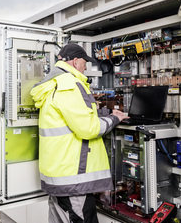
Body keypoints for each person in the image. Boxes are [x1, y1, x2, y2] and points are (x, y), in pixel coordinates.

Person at [30, 43, 129, 223]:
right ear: (75, 62)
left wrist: (106, 114)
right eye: (85, 62)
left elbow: (74, 116)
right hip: (73, 179)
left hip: (60, 174)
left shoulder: (54, 83)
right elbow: (88, 129)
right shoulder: (69, 84)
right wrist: (115, 119)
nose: (86, 67)